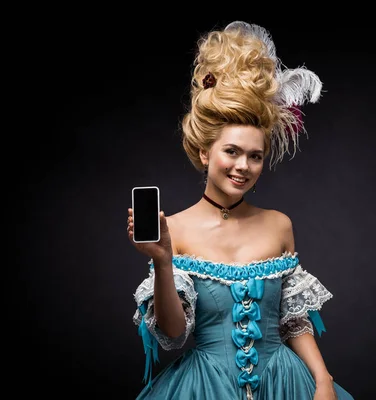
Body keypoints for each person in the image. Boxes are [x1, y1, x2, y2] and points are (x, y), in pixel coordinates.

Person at [126, 21, 354, 400]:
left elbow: (292, 321)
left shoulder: (278, 225)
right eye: (231, 151)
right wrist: (164, 262)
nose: (242, 166)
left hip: (285, 383)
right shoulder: (175, 229)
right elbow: (172, 334)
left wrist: (323, 380)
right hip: (204, 386)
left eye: (255, 156)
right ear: (205, 153)